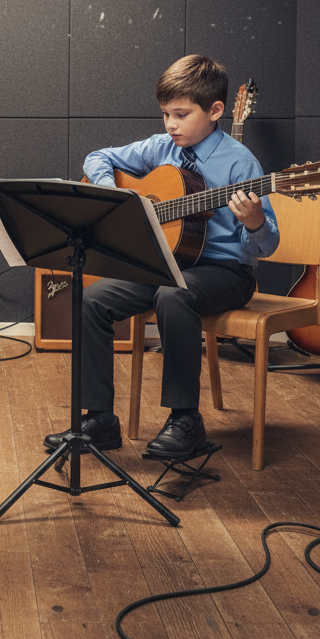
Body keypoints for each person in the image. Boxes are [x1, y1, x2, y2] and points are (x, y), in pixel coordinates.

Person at [44, 55, 280, 460]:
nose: (171, 124)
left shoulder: (241, 162)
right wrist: (119, 195)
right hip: (168, 264)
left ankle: (185, 419)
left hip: (226, 272)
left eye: (181, 114)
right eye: (165, 114)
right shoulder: (161, 148)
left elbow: (265, 246)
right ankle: (100, 419)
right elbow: (97, 158)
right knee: (92, 299)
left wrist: (256, 221)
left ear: (215, 111)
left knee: (174, 295)